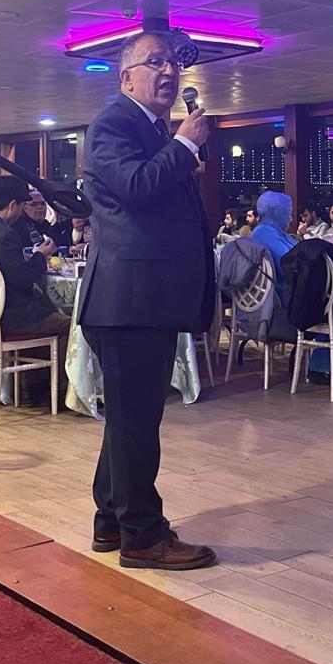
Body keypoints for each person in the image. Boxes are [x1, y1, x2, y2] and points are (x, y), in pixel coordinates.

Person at [77, 31, 217, 571]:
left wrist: (177, 149)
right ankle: (142, 535)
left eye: (173, 63)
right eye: (154, 61)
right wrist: (183, 147)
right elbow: (135, 187)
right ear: (126, 77)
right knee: (136, 422)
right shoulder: (114, 124)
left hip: (144, 298)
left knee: (128, 418)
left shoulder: (152, 130)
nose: (168, 71)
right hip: (128, 300)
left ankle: (111, 521)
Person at [0, 176, 70, 359]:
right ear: (12, 205)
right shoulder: (5, 234)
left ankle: (29, 374)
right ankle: (51, 377)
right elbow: (23, 278)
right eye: (22, 206)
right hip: (8, 317)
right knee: (70, 325)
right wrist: (41, 255)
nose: (21, 212)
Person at [250, 191, 297, 299]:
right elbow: (289, 265)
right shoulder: (265, 234)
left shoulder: (268, 231)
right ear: (278, 213)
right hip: (285, 295)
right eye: (289, 214)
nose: (291, 219)